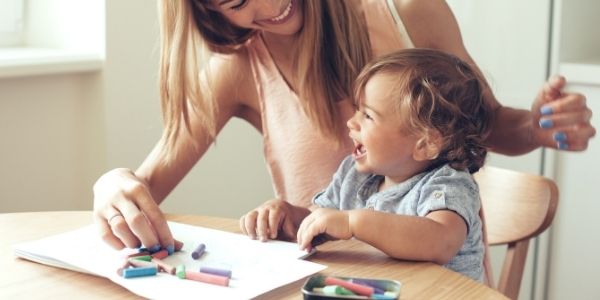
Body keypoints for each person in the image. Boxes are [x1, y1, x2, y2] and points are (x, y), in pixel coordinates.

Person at [93, 0, 595, 262]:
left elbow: (487, 125)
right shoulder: (239, 68)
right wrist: (113, 186)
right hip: (325, 282)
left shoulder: (408, 13)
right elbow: (145, 186)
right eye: (238, 0)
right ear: (213, 13)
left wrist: (538, 127)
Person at [243, 48, 492, 281]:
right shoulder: (354, 175)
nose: (352, 122)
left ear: (425, 144)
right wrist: (288, 216)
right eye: (357, 110)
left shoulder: (449, 185)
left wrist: (354, 223)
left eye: (368, 115)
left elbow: (441, 241)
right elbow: (323, 221)